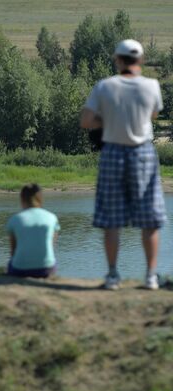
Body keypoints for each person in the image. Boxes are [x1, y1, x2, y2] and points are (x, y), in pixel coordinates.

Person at [80, 39, 166, 290]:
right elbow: (153, 114)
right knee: (150, 218)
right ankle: (151, 277)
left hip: (113, 153)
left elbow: (86, 120)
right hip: (143, 153)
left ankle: (113, 276)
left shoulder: (105, 86)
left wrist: (108, 120)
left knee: (111, 218)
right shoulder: (152, 85)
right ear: (140, 60)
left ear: (118, 60)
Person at [6, 184, 60, 278]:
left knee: (10, 264)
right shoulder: (52, 217)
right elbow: (51, 246)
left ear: (22, 199)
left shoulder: (14, 219)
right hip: (46, 269)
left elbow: (13, 251)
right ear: (41, 199)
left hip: (20, 269)